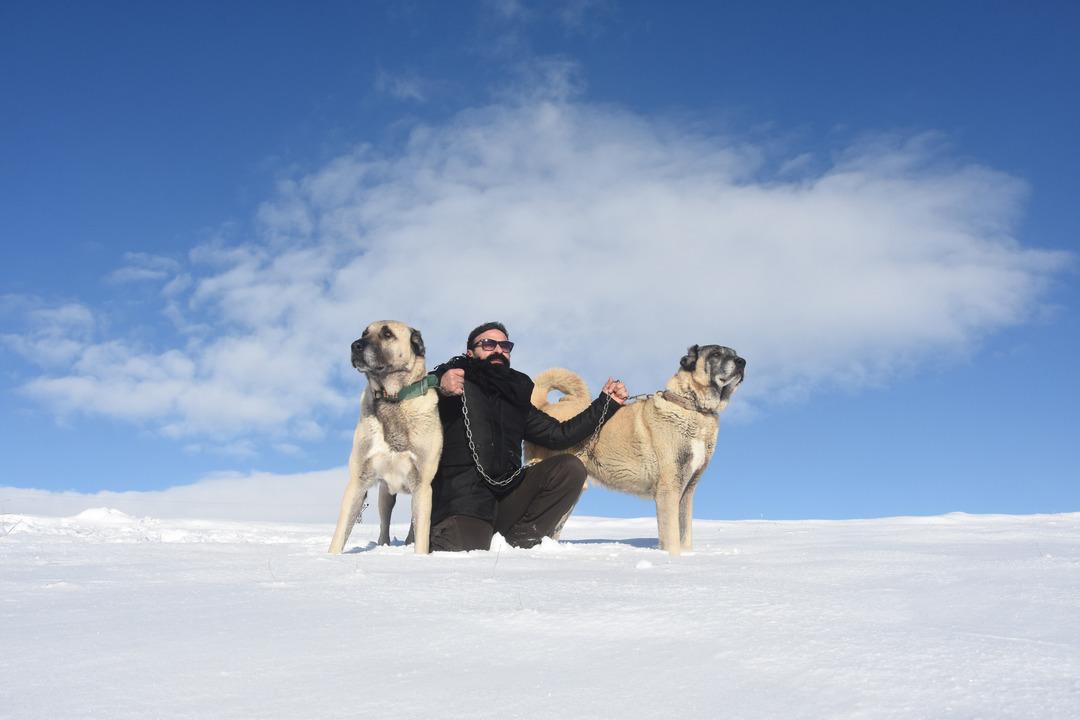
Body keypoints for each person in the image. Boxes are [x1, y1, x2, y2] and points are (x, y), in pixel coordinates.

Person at [427, 321, 628, 551]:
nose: (498, 350)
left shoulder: (515, 398)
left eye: (505, 346)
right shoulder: (451, 382)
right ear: (470, 353)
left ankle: (522, 541)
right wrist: (437, 385)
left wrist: (607, 403)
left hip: (507, 496)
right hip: (462, 501)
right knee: (468, 555)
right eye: (488, 344)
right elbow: (404, 403)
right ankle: (435, 533)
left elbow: (558, 435)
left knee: (569, 468)